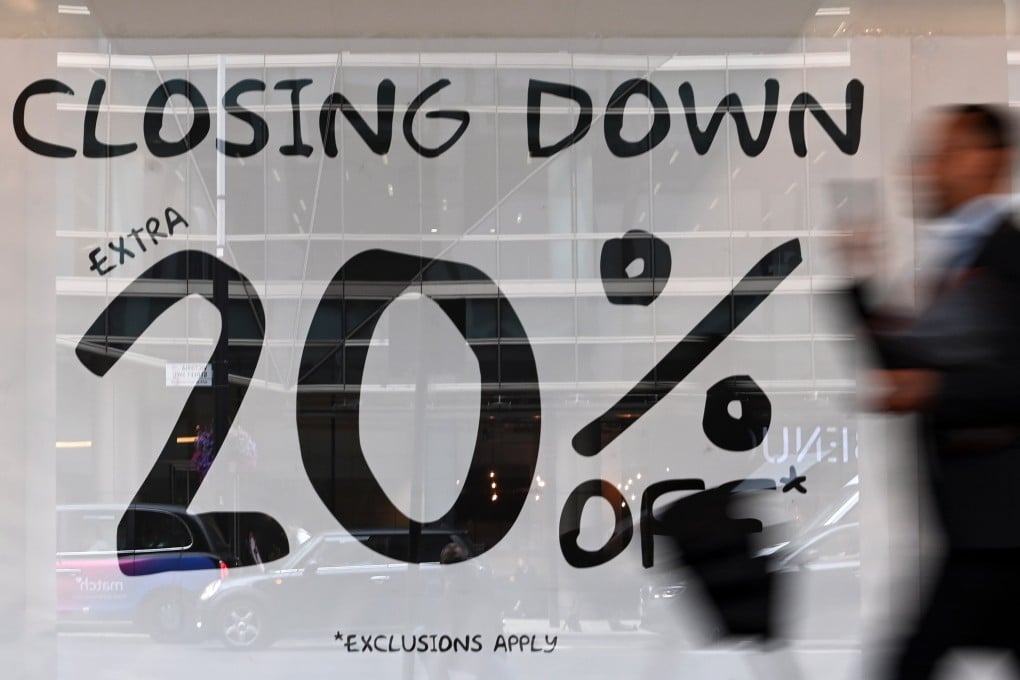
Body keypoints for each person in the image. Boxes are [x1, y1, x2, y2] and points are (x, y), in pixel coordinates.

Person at [846, 104, 1020, 680]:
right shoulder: (959, 261)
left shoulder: (1007, 258)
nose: (927, 169)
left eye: (947, 153)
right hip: (980, 533)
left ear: (991, 161)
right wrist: (858, 285)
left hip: (1000, 534)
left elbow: (954, 380)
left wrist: (936, 387)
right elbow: (910, 371)